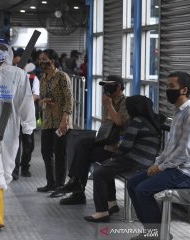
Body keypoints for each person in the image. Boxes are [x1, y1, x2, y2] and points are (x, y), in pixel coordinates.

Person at [0, 38, 36, 230]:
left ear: (9, 52)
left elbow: (25, 99)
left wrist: (28, 125)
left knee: (7, 169)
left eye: (3, 49)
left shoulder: (19, 74)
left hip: (10, 123)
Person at [128, 71, 190, 240]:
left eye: (172, 87)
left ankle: (157, 234)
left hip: (184, 172)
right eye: (167, 86)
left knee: (142, 190)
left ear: (184, 90)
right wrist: (157, 163)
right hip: (173, 167)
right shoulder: (178, 112)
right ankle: (154, 231)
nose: (167, 90)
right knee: (133, 183)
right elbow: (170, 146)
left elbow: (184, 151)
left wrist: (161, 167)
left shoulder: (189, 113)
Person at [84, 95, 161, 223]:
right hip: (148, 161)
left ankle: (102, 212)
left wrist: (114, 157)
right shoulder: (153, 121)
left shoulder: (137, 121)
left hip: (135, 160)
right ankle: (111, 203)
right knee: (105, 167)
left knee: (99, 172)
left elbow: (126, 146)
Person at [54, 75, 130, 204]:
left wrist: (109, 105)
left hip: (117, 147)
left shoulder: (126, 102)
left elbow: (119, 122)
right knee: (82, 142)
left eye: (108, 85)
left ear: (118, 87)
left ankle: (78, 189)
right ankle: (76, 183)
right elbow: (106, 127)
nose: (105, 89)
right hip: (106, 142)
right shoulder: (109, 101)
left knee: (85, 154)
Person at [36, 49, 73, 194]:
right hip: (47, 121)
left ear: (52, 61)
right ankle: (50, 183)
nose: (41, 62)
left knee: (60, 154)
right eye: (40, 59)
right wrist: (42, 101)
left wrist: (65, 119)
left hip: (60, 121)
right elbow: (40, 99)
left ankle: (60, 185)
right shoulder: (42, 78)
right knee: (46, 152)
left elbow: (69, 100)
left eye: (44, 59)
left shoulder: (62, 77)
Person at [12, 62, 40, 180]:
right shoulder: (11, 78)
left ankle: (25, 167)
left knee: (28, 144)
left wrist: (25, 103)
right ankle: (15, 169)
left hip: (28, 116)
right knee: (15, 144)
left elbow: (36, 95)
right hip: (14, 116)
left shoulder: (33, 78)